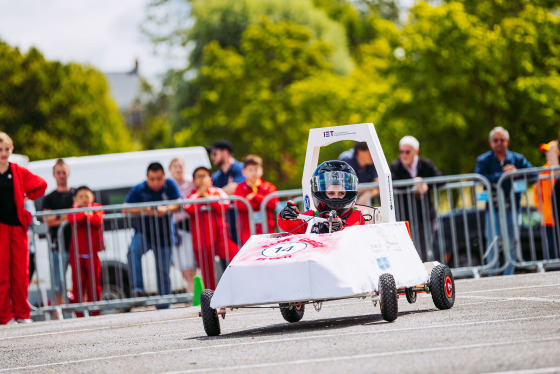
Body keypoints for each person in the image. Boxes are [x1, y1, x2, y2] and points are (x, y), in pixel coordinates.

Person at [0, 132, 47, 325]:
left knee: (21, 272)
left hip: (18, 227)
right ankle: (3, 317)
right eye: (0, 149)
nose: (4, 153)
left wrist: (26, 197)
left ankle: (22, 314)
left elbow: (41, 185)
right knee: (2, 272)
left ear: (11, 149)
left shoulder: (18, 170)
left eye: (7, 149)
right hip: (0, 228)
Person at [475, 126, 533, 275]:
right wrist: (502, 175)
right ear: (490, 142)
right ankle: (493, 275)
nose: (499, 143)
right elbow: (479, 178)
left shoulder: (517, 159)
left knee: (513, 241)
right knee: (492, 241)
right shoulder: (483, 160)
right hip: (492, 209)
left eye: (502, 140)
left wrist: (517, 173)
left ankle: (509, 273)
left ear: (507, 141)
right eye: (496, 140)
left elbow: (534, 175)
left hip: (512, 207)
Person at [123, 162, 181, 307]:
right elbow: (125, 208)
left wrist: (167, 209)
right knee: (132, 252)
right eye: (152, 179)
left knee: (163, 272)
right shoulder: (139, 188)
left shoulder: (170, 185)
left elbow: (180, 203)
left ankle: (164, 306)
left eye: (159, 178)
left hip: (164, 236)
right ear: (147, 177)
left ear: (164, 177)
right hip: (144, 234)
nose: (155, 182)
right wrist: (145, 209)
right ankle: (137, 289)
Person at [185, 166, 239, 290]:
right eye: (199, 176)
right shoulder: (192, 196)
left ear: (211, 179)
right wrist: (200, 194)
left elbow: (224, 205)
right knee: (208, 275)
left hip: (221, 238)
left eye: (205, 176)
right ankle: (212, 303)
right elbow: (188, 207)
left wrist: (207, 197)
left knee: (237, 257)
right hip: (202, 241)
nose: (202, 179)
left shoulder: (217, 191)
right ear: (194, 181)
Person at [390, 136, 443, 262]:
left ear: (416, 151)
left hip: (425, 215)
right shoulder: (395, 166)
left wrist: (426, 184)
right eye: (401, 151)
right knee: (407, 248)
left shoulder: (425, 164)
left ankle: (424, 277)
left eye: (407, 152)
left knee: (424, 248)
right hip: (404, 215)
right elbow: (392, 183)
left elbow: (441, 179)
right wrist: (412, 184)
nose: (404, 155)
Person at [278, 161, 364, 235]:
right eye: (331, 193)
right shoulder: (313, 215)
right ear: (322, 194)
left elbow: (352, 235)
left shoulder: (355, 214)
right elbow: (288, 226)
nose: (336, 197)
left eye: (341, 193)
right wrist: (285, 216)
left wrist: (340, 229)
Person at [67, 186, 104, 317]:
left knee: (94, 284)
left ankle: (95, 312)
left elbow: (97, 220)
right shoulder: (74, 210)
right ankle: (79, 314)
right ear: (76, 199)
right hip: (77, 255)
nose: (83, 199)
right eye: (81, 197)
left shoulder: (97, 207)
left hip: (93, 253)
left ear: (92, 197)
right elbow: (73, 219)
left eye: (86, 196)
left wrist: (85, 215)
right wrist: (85, 214)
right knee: (77, 285)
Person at [42, 159, 75, 309]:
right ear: (54, 175)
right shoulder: (49, 198)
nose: (62, 175)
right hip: (57, 246)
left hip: (76, 245)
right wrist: (70, 215)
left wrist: (59, 217)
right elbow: (47, 220)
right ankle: (59, 315)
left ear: (68, 173)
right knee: (58, 284)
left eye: (64, 172)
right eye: (58, 173)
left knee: (78, 282)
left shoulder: (76, 194)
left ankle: (78, 313)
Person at [207, 140, 246, 247]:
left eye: (215, 153)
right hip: (224, 225)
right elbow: (208, 192)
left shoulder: (242, 168)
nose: (212, 157)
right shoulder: (215, 176)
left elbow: (235, 188)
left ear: (225, 152)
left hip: (241, 224)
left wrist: (216, 193)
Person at [234, 155, 279, 246]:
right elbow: (239, 205)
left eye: (256, 169)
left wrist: (255, 197)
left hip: (267, 229)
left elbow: (273, 203)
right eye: (250, 170)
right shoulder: (240, 188)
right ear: (244, 172)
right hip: (246, 230)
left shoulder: (269, 186)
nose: (254, 172)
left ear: (261, 170)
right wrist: (261, 202)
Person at [168, 157, 197, 292]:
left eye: (180, 166)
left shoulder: (191, 182)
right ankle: (191, 293)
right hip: (173, 229)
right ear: (170, 169)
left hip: (187, 226)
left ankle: (193, 295)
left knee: (189, 265)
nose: (178, 169)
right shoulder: (167, 184)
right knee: (181, 266)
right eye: (175, 166)